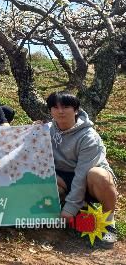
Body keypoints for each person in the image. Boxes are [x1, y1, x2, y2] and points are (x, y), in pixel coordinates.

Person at [46, 92, 118, 246]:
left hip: (89, 179)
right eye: (55, 107)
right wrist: (34, 131)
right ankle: (82, 211)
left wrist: (70, 208)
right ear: (50, 110)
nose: (60, 111)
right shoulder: (47, 130)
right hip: (64, 177)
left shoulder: (88, 137)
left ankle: (109, 222)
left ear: (76, 110)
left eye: (66, 107)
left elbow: (82, 174)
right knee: (45, 178)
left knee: (98, 175)